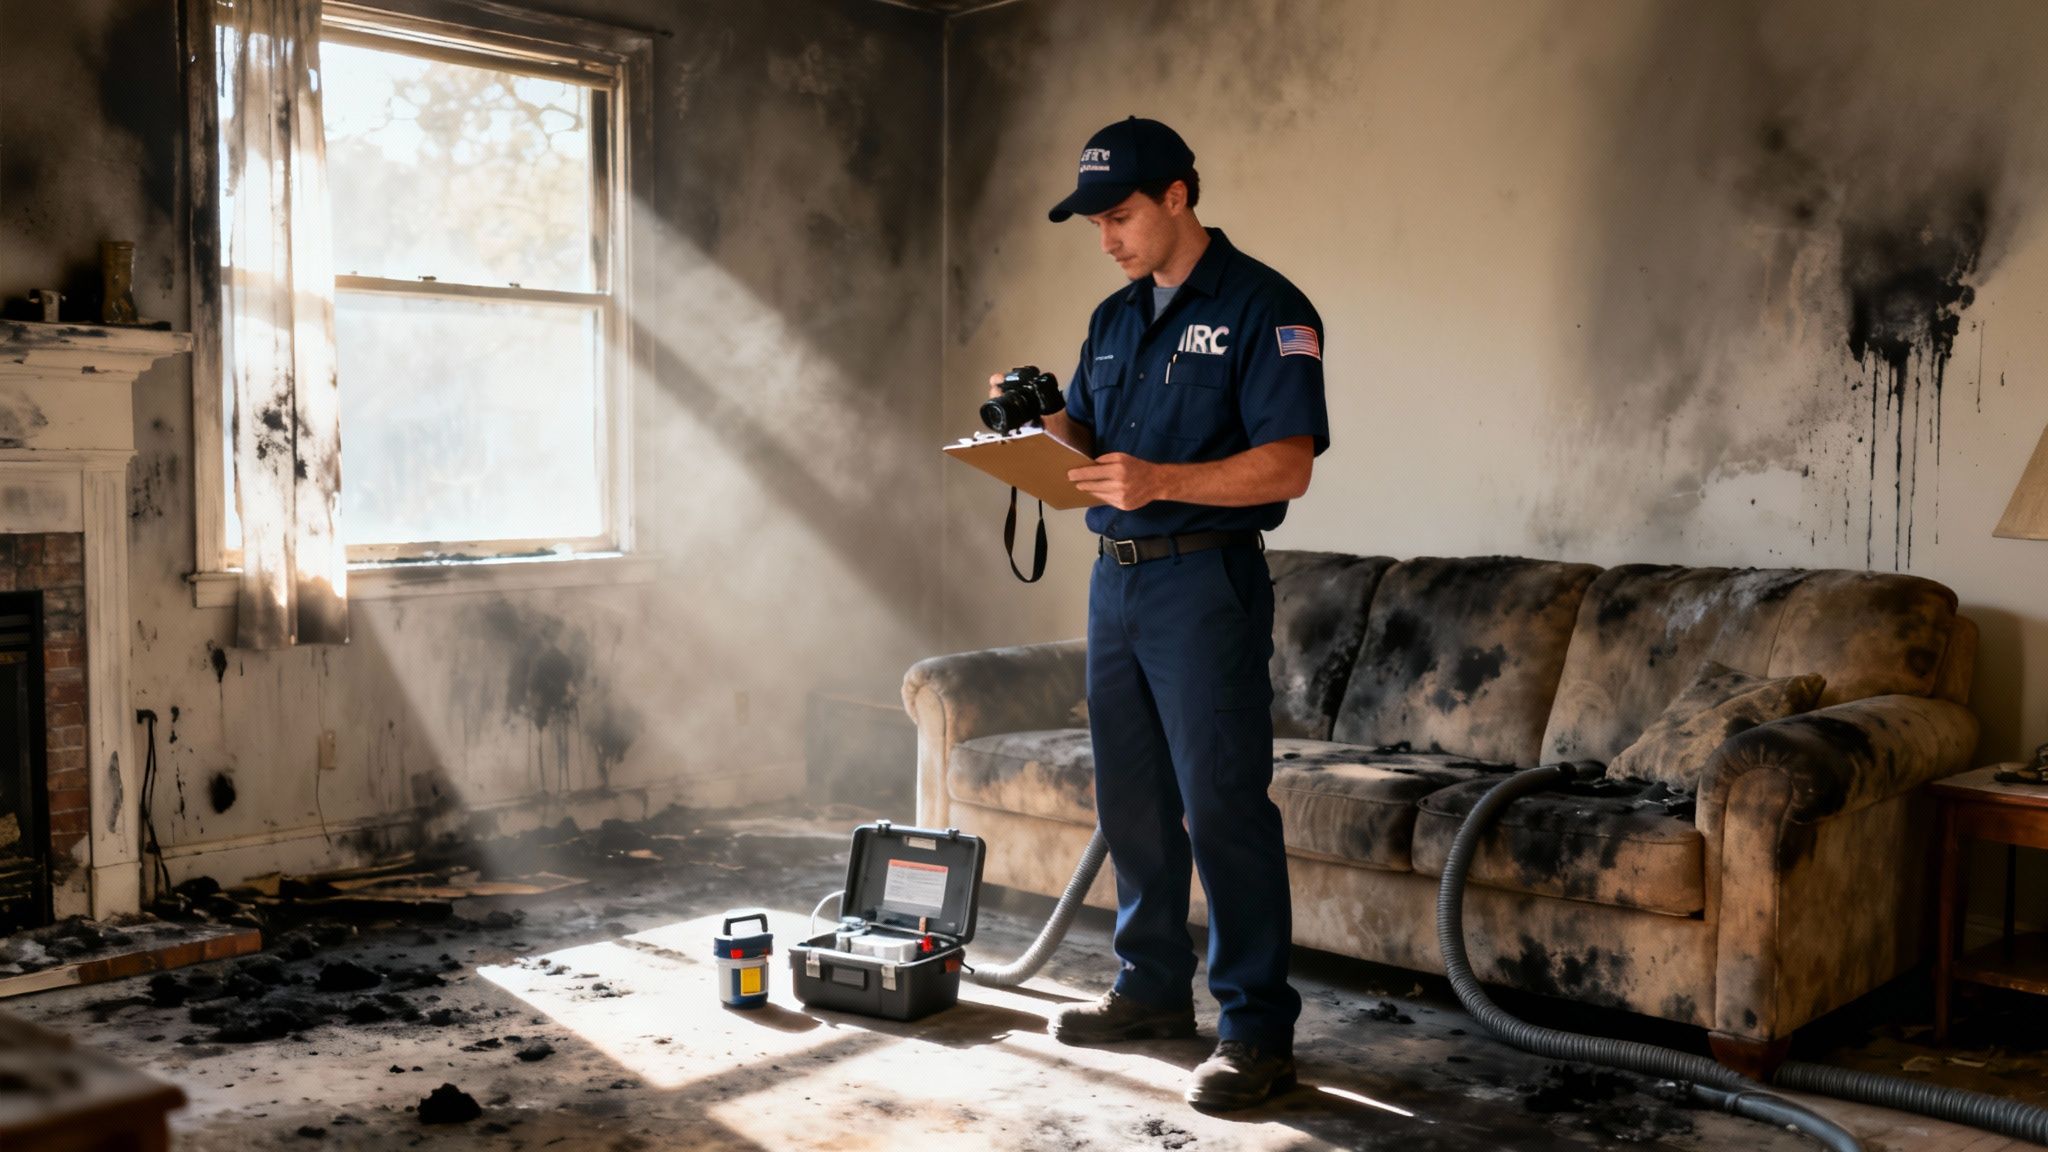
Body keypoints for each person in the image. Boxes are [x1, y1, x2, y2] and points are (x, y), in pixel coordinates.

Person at [989, 115, 1329, 1111]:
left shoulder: (1267, 307)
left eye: (1121, 214)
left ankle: (1256, 1031)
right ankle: (1147, 990)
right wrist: (1037, 415)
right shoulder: (1112, 317)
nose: (1107, 237)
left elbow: (1287, 464)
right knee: (1128, 793)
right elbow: (1090, 451)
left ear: (1178, 193)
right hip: (1116, 579)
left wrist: (1157, 480)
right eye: (1094, 221)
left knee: (1220, 800)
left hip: (1203, 582)